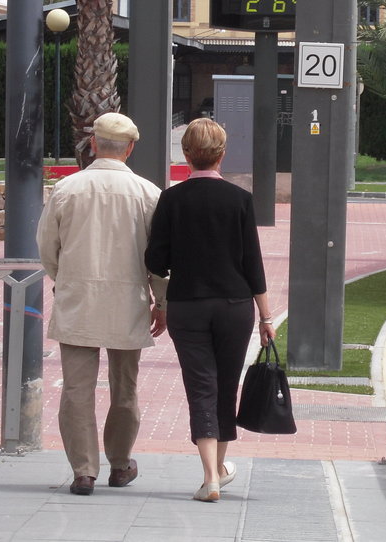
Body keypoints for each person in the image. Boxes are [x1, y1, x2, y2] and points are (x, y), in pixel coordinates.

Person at [144, 118, 275, 503]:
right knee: (225, 386)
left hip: (187, 306)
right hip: (235, 306)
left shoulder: (172, 199)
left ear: (185, 154)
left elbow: (156, 259)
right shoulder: (240, 200)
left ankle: (211, 477)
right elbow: (254, 262)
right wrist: (267, 318)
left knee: (200, 386)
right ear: (222, 154)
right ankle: (218, 467)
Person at [36, 112, 167, 497]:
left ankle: (83, 470)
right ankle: (121, 462)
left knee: (77, 389)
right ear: (130, 147)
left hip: (78, 298)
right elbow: (159, 258)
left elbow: (47, 246)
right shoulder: (148, 193)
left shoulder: (67, 189)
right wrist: (161, 300)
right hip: (128, 301)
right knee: (124, 388)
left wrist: (64, 278)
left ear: (93, 144)